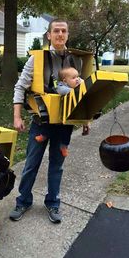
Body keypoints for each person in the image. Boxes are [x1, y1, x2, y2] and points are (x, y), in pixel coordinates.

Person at [9, 18, 89, 224]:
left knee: (57, 166)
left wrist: (86, 119)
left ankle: (52, 203)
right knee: (31, 164)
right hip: (41, 122)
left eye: (64, 31)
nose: (60, 34)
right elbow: (20, 87)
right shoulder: (36, 59)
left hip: (64, 126)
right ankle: (23, 201)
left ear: (68, 35)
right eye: (56, 31)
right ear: (49, 35)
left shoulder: (76, 61)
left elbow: (82, 94)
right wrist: (17, 116)